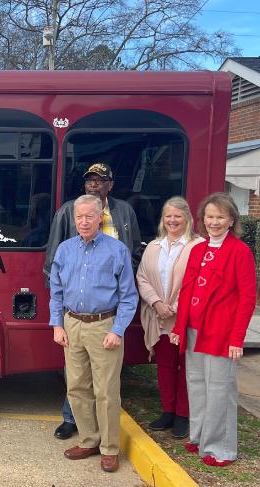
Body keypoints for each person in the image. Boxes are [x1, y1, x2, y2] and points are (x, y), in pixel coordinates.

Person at [43, 162, 141, 440]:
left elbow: (133, 253)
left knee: (106, 389)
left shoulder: (123, 216)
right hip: (73, 320)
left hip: (104, 318)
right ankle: (82, 434)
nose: (94, 184)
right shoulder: (67, 220)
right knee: (76, 385)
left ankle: (109, 447)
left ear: (110, 185)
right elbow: (54, 271)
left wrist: (118, 325)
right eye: (89, 180)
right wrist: (57, 321)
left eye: (100, 180)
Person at [170, 193, 256, 467]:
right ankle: (200, 437)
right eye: (210, 217)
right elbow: (186, 292)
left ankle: (221, 448)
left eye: (220, 217)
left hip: (221, 333)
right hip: (195, 329)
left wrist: (237, 338)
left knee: (220, 390)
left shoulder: (240, 251)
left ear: (231, 220)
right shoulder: (197, 249)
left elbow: (247, 298)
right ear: (202, 220)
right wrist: (179, 327)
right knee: (197, 386)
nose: (214, 222)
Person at [136, 197, 203, 439]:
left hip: (186, 319)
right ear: (163, 219)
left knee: (186, 367)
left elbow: (198, 282)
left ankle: (183, 416)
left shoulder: (198, 246)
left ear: (187, 218)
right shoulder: (154, 246)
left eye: (177, 216)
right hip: (159, 317)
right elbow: (142, 277)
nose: (172, 220)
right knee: (165, 366)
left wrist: (175, 307)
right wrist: (156, 303)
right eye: (168, 216)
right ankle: (168, 411)